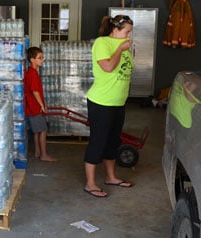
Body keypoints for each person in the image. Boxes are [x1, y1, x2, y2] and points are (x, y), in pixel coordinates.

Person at [83, 15, 134, 198]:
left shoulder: (126, 47)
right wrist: (120, 48)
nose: (129, 35)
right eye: (126, 31)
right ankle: (90, 183)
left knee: (113, 141)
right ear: (115, 29)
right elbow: (108, 67)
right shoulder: (102, 43)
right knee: (98, 141)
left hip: (118, 103)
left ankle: (111, 177)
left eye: (130, 32)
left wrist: (123, 48)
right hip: (101, 102)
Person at [24, 46, 57, 162]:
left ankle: (38, 151)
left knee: (37, 131)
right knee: (43, 130)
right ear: (32, 60)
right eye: (40, 58)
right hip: (34, 107)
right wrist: (42, 105)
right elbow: (35, 91)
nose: (42, 60)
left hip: (33, 107)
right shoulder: (32, 73)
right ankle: (44, 154)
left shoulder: (32, 72)